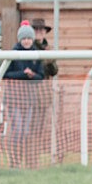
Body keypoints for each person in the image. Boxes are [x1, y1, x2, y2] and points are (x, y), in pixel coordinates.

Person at [4, 21, 44, 168]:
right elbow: (5, 74)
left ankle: (25, 161)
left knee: (26, 132)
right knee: (18, 131)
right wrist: (22, 74)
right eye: (24, 38)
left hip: (29, 100)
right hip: (14, 99)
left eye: (29, 38)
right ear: (20, 39)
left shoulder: (36, 55)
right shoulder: (13, 53)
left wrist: (32, 75)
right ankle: (14, 162)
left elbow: (41, 76)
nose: (27, 41)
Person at [29, 18, 59, 165]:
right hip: (29, 94)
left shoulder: (48, 49)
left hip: (43, 94)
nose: (39, 33)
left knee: (39, 130)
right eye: (36, 30)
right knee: (30, 130)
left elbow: (54, 71)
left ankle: (35, 160)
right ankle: (30, 159)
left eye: (41, 30)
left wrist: (49, 59)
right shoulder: (29, 48)